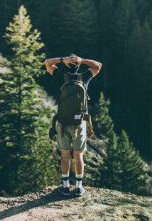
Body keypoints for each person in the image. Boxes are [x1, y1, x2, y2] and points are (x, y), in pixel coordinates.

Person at [44, 52, 102, 197]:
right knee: (78, 155)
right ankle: (78, 187)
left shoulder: (60, 76)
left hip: (63, 122)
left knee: (64, 155)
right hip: (80, 123)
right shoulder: (84, 77)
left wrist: (62, 60)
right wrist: (82, 61)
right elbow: (98, 66)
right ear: (77, 66)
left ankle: (64, 186)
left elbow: (47, 63)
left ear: (67, 64)